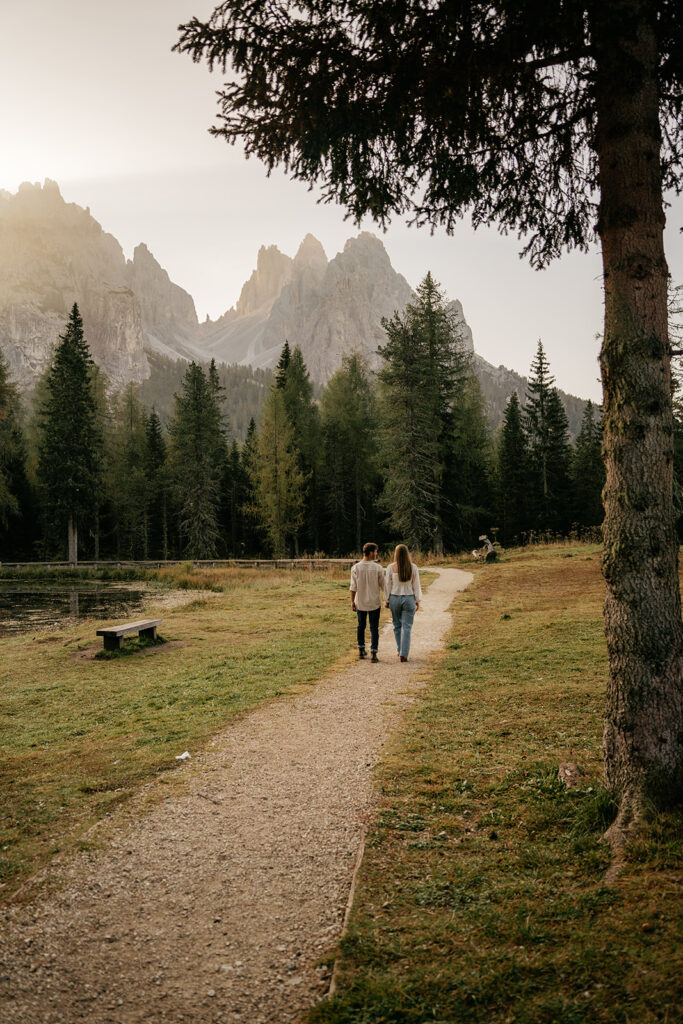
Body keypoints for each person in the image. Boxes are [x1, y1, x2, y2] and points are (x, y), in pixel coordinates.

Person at [384, 543, 422, 662]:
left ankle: (399, 650)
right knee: (407, 627)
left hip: (394, 598)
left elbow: (387, 585)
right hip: (409, 598)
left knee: (396, 626)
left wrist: (386, 599)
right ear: (407, 553)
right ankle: (404, 654)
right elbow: (416, 585)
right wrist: (417, 600)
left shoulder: (390, 567)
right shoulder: (413, 567)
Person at [350, 542, 385, 663]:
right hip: (374, 602)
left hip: (360, 601)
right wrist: (387, 599)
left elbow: (353, 587)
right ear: (370, 552)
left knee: (361, 626)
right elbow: (383, 586)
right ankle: (374, 653)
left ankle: (361, 650)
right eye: (376, 552)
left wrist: (352, 601)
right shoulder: (378, 568)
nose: (376, 554)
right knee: (374, 627)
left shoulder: (356, 568)